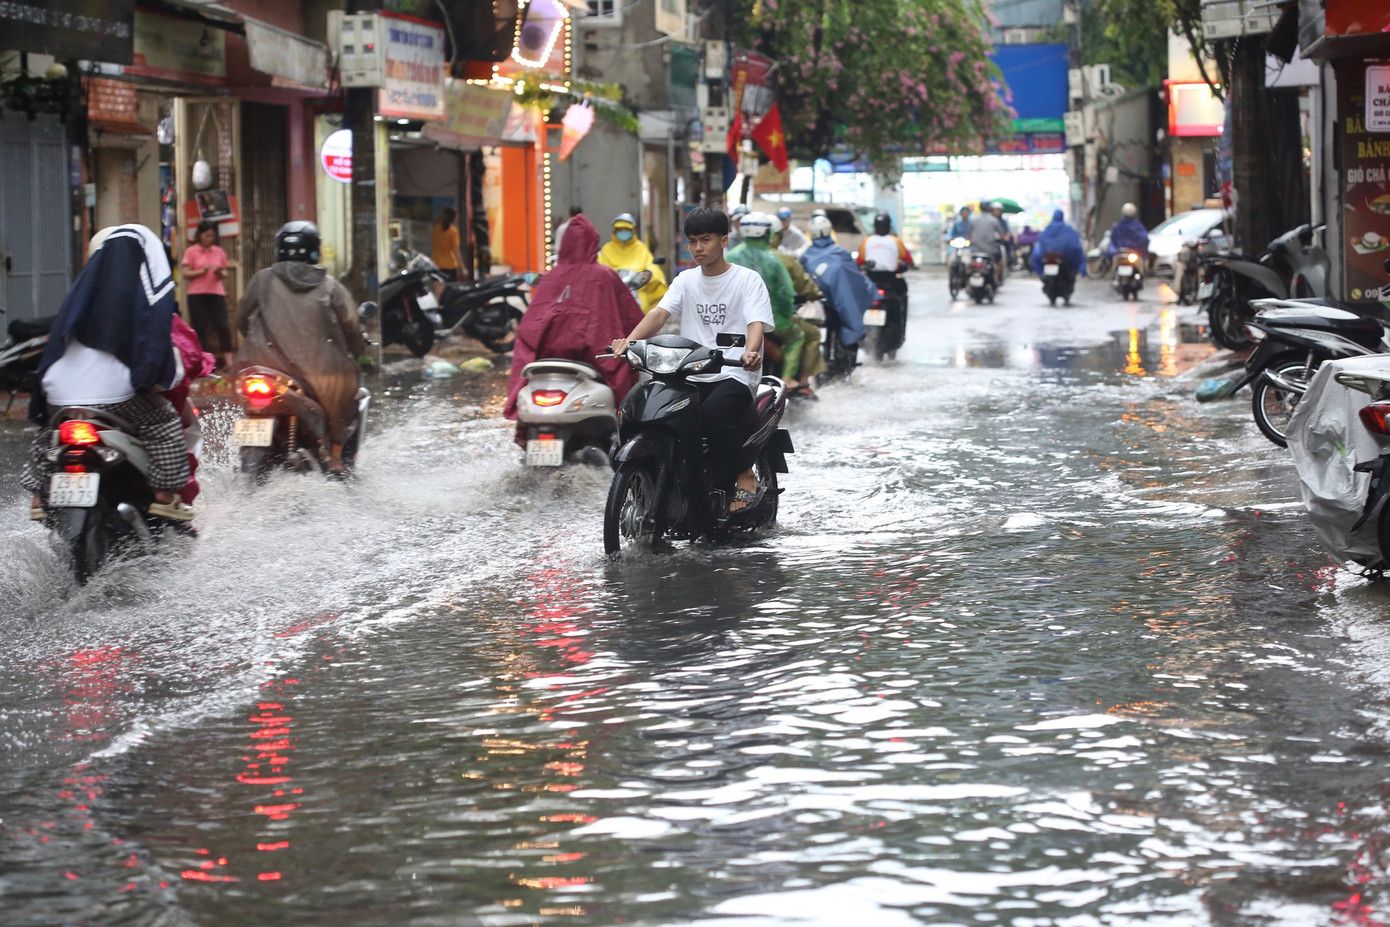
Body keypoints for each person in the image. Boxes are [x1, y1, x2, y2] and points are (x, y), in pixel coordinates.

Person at [21, 224, 195, 521]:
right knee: (163, 422)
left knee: (48, 432)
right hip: (116, 397)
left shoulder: (80, 296)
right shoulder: (140, 300)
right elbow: (158, 361)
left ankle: (39, 493)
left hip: (61, 397)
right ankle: (165, 494)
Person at [610, 207, 775, 513]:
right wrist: (630, 342)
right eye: (692, 241)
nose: (698, 248)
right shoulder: (685, 280)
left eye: (706, 240)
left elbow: (756, 323)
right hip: (689, 373)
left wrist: (750, 352)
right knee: (647, 408)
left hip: (733, 374)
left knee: (711, 414)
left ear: (724, 240)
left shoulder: (747, 280)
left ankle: (744, 473)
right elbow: (659, 314)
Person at [234, 221, 367, 473]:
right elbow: (350, 325)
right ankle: (336, 459)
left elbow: (241, 319)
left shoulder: (262, 280)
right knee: (347, 395)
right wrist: (359, 350)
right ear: (314, 251)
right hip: (314, 376)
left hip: (263, 368)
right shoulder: (330, 287)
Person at [504, 215, 645, 441]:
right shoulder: (604, 275)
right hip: (596, 363)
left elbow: (531, 326)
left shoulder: (551, 277)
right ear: (593, 243)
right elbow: (632, 319)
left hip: (549, 364)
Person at [728, 212, 808, 396]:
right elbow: (785, 293)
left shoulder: (730, 256)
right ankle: (787, 378)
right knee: (796, 337)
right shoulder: (773, 260)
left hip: (734, 321)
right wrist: (789, 314)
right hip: (774, 320)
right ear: (767, 233)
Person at [800, 214, 875, 356]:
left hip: (819, 305)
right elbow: (856, 280)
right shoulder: (840, 253)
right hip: (837, 306)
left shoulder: (806, 256)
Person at [769, 227, 828, 396]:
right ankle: (801, 382)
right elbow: (801, 285)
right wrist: (813, 293)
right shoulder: (783, 258)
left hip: (743, 319)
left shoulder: (734, 255)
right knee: (811, 334)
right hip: (777, 318)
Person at [180, 219, 232, 370]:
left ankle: (228, 361)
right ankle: (206, 362)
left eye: (212, 236)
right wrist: (201, 271)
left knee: (222, 326)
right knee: (200, 328)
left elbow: (225, 271)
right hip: (196, 294)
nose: (211, 239)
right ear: (200, 235)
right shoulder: (191, 251)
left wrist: (221, 273)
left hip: (216, 293)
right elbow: (185, 273)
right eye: (208, 235)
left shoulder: (219, 251)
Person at [597, 212, 668, 313]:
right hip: (612, 296)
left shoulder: (641, 249)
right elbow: (599, 269)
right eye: (620, 230)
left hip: (637, 294)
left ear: (632, 231)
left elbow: (651, 266)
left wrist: (649, 275)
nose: (623, 232)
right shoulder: (606, 249)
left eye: (626, 229)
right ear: (614, 231)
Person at [1030, 209, 1087, 293]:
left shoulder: (1048, 228)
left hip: (1048, 256)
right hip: (1063, 257)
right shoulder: (1068, 229)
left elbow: (1041, 241)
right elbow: (1075, 245)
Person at [856, 211, 915, 275]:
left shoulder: (867, 241)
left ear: (875, 227)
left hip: (872, 276)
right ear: (889, 227)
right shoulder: (895, 241)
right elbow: (908, 259)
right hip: (891, 277)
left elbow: (859, 261)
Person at [968, 201, 1007, 282]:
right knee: (1000, 261)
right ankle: (996, 277)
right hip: (990, 250)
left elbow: (969, 234)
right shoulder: (994, 220)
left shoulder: (974, 220)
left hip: (976, 249)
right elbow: (1002, 234)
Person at [432, 206, 465, 282]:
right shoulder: (453, 231)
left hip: (436, 264)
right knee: (450, 289)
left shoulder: (436, 228)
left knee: (438, 291)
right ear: (453, 218)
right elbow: (456, 251)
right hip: (450, 266)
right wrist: (462, 268)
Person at [991, 202, 1015, 272]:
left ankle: (1009, 257)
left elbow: (1007, 232)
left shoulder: (1003, 222)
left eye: (998, 210)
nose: (996, 212)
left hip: (1000, 242)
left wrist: (1005, 236)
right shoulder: (989, 221)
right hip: (990, 242)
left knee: (1008, 243)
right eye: (995, 210)